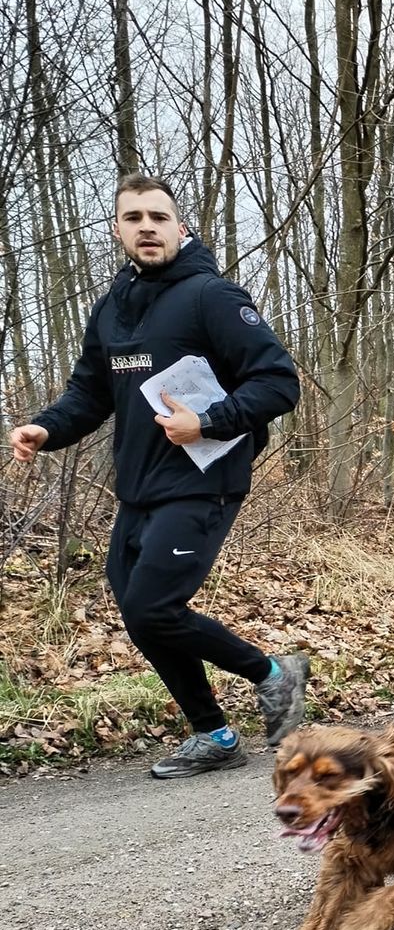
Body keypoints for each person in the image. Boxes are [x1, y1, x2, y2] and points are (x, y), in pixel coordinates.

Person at [9, 172, 309, 779]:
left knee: (152, 606)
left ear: (181, 226)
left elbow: (279, 382)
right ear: (118, 230)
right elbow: (89, 393)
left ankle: (274, 674)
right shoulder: (113, 308)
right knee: (141, 612)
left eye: (158, 216)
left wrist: (209, 421)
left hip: (204, 479)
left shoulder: (211, 297)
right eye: (133, 218)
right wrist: (47, 428)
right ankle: (214, 734)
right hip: (139, 487)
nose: (146, 227)